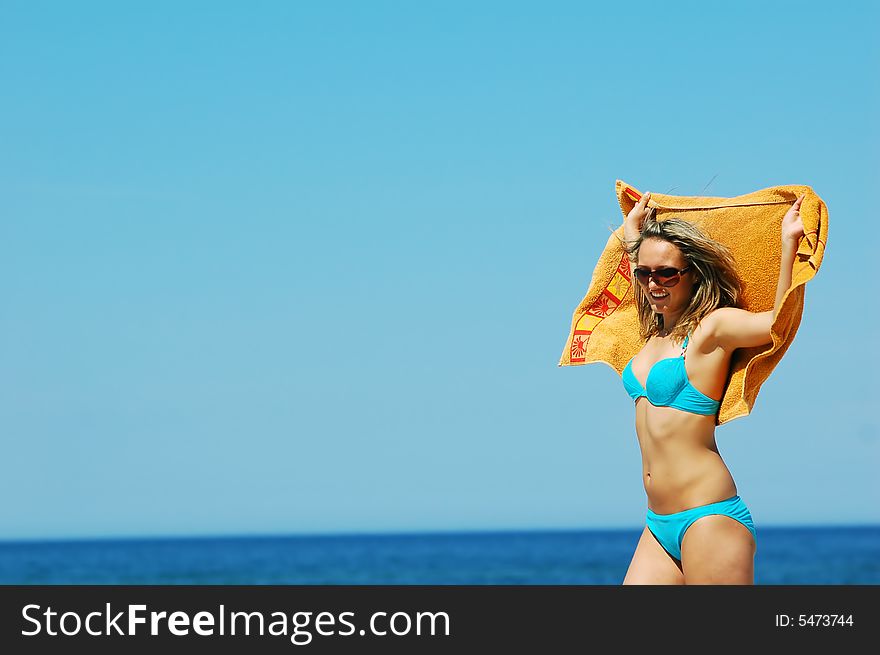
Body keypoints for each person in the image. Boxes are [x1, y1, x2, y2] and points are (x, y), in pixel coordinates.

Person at [619, 190, 805, 585]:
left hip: (708, 516)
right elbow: (644, 270)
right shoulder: (652, 331)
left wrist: (788, 243)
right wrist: (633, 233)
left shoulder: (712, 329)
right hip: (656, 524)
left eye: (667, 273)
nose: (655, 283)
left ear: (694, 275)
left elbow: (775, 324)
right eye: (645, 273)